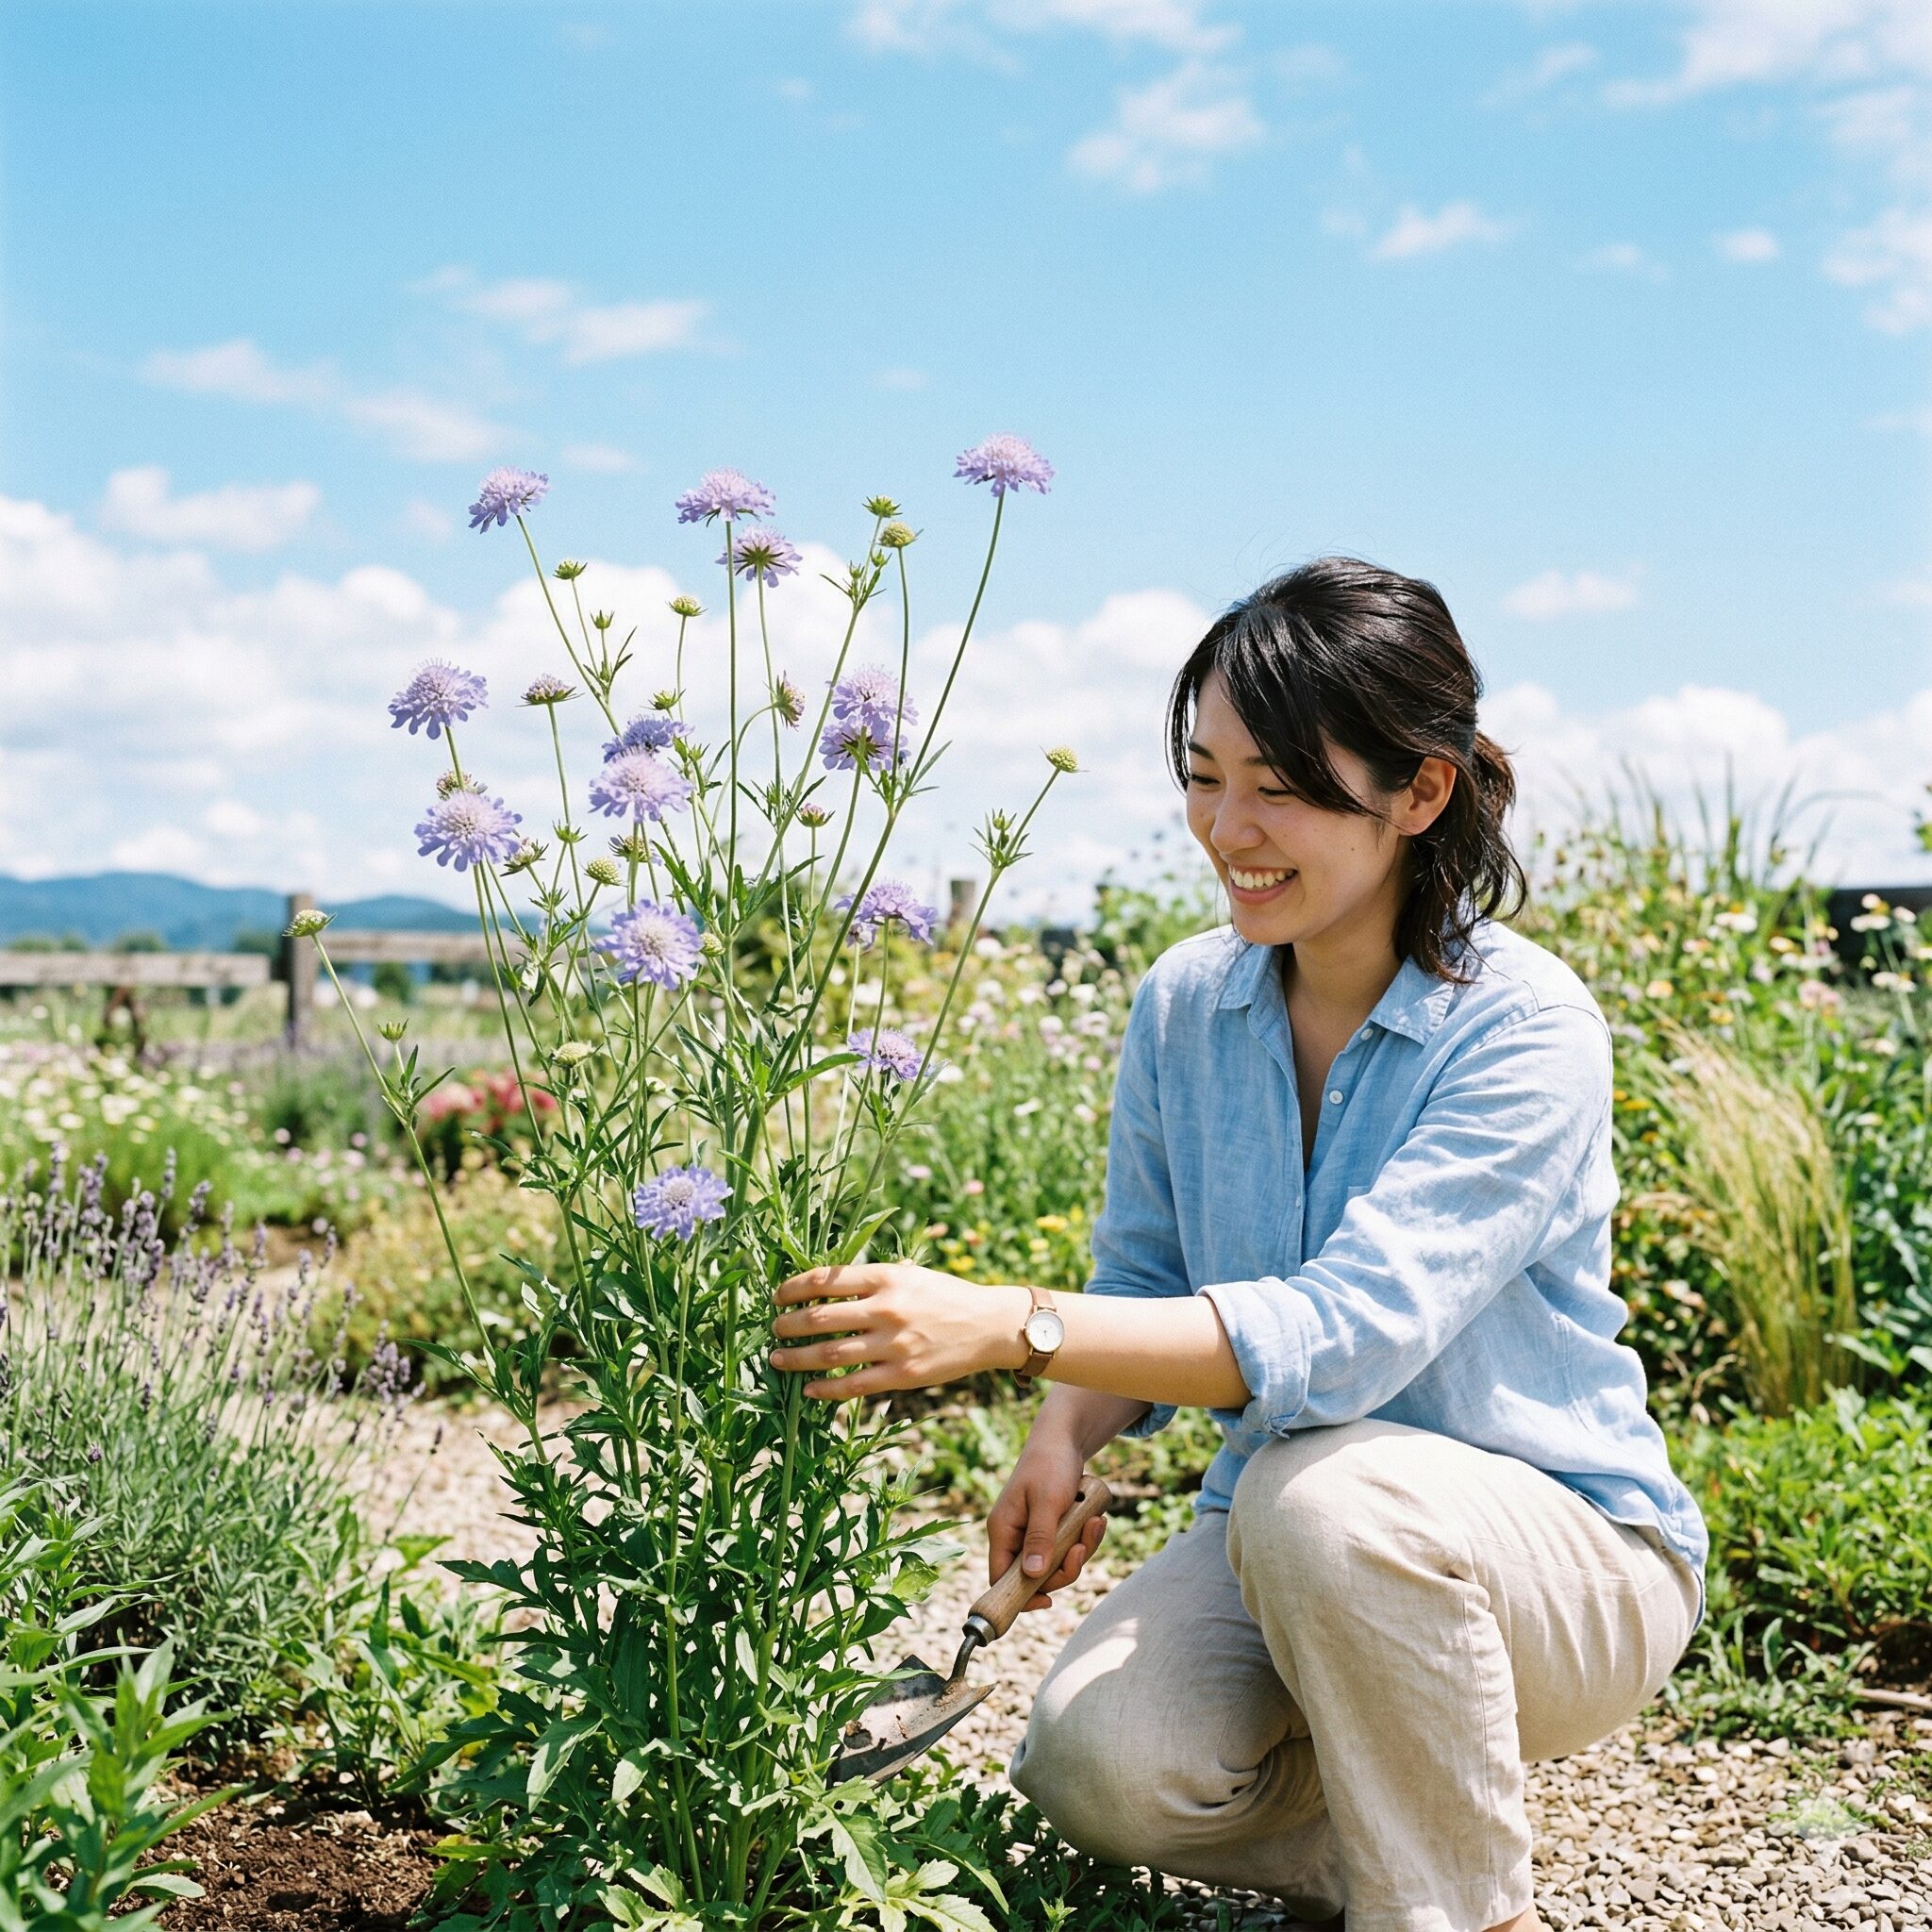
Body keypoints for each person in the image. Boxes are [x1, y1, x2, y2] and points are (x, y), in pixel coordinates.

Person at [770, 556, 1708, 1932]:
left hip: (1560, 1556)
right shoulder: (1186, 1006)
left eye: (1281, 786)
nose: (1229, 827)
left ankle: (1460, 1908)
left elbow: (1342, 1338)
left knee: (1322, 1494)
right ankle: (1417, 1823)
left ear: (1421, 792)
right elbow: (1143, 1276)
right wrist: (1060, 1439)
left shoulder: (1525, 1027)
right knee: (1098, 1767)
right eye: (1204, 776)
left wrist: (1003, 1321)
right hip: (1297, 1551)